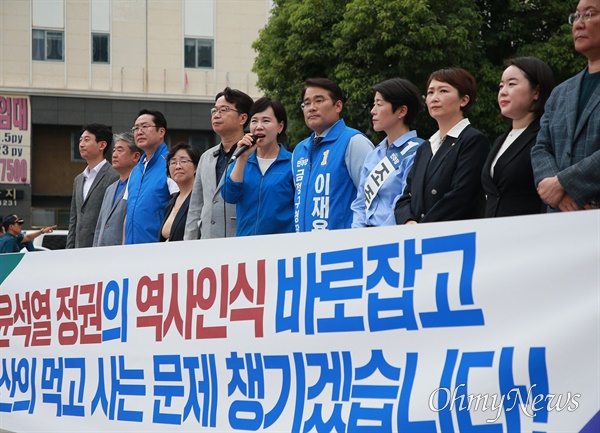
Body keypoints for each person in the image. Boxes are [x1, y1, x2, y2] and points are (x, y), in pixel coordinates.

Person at [395, 68, 489, 224]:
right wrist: (408, 221)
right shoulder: (425, 147)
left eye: (443, 91)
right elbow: (406, 197)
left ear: (464, 100)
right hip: (419, 239)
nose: (434, 98)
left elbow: (461, 196)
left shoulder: (473, 140)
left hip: (453, 237)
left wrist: (423, 228)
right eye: (430, 92)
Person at [531, 0, 600, 212]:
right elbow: (541, 148)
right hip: (560, 223)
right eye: (576, 16)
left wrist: (563, 183)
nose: (578, 24)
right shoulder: (561, 92)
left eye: (589, 14)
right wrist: (556, 194)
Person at [292, 78, 374, 232]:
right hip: (305, 249)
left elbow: (372, 199)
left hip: (341, 249)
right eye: (307, 103)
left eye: (319, 101)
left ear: (338, 106)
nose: (311, 108)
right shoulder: (299, 151)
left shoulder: (354, 142)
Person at [481, 57, 555, 217]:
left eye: (512, 84)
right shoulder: (501, 140)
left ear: (536, 91)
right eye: (501, 86)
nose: (503, 91)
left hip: (530, 235)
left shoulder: (545, 136)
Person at [351, 78, 425, 227]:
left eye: (379, 104)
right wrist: (358, 232)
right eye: (374, 104)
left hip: (393, 238)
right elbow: (360, 203)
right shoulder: (373, 154)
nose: (373, 110)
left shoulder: (418, 151)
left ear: (402, 111)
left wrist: (382, 236)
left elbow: (405, 200)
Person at [184, 87, 254, 240]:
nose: (216, 115)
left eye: (224, 110)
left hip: (240, 240)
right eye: (214, 111)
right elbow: (196, 206)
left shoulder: (253, 154)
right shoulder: (206, 157)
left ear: (243, 118)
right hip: (207, 241)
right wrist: (188, 243)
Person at [221, 97, 294, 236]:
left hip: (282, 247)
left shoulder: (292, 163)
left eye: (266, 121)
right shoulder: (242, 159)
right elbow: (229, 196)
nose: (259, 126)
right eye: (254, 121)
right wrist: (242, 158)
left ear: (280, 126)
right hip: (247, 246)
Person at [124, 109, 178, 244]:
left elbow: (181, 206)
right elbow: (128, 213)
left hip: (158, 251)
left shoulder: (172, 163)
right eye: (136, 128)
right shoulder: (136, 170)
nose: (139, 131)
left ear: (161, 132)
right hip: (132, 250)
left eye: (145, 126)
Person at [66, 123, 119, 248]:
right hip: (78, 250)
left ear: (102, 145)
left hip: (101, 249)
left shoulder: (114, 176)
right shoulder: (78, 180)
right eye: (80, 140)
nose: (81, 144)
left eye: (87, 140)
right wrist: (69, 250)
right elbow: (74, 219)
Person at [93, 132, 142, 247]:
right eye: (114, 150)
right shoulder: (110, 189)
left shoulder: (139, 187)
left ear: (135, 156)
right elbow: (100, 226)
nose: (114, 155)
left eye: (120, 150)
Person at [159, 143, 200, 242]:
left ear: (196, 167)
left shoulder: (200, 199)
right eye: (173, 162)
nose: (178, 166)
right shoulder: (170, 203)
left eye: (183, 161)